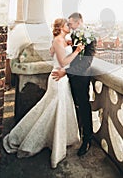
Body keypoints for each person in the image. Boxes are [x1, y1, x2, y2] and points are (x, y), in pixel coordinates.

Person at [3, 18, 85, 169]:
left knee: (53, 108)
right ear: (61, 27)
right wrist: (77, 51)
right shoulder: (59, 41)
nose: (69, 26)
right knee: (54, 108)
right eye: (67, 24)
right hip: (58, 79)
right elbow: (64, 62)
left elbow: (51, 52)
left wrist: (67, 45)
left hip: (57, 77)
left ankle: (56, 138)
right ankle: (50, 141)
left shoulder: (59, 40)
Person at [52, 12, 96, 156]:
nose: (69, 26)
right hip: (69, 78)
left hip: (82, 78)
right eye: (68, 24)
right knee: (71, 107)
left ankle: (87, 139)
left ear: (79, 22)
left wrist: (66, 72)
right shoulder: (74, 36)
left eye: (71, 24)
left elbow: (86, 63)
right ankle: (72, 135)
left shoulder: (90, 36)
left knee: (84, 107)